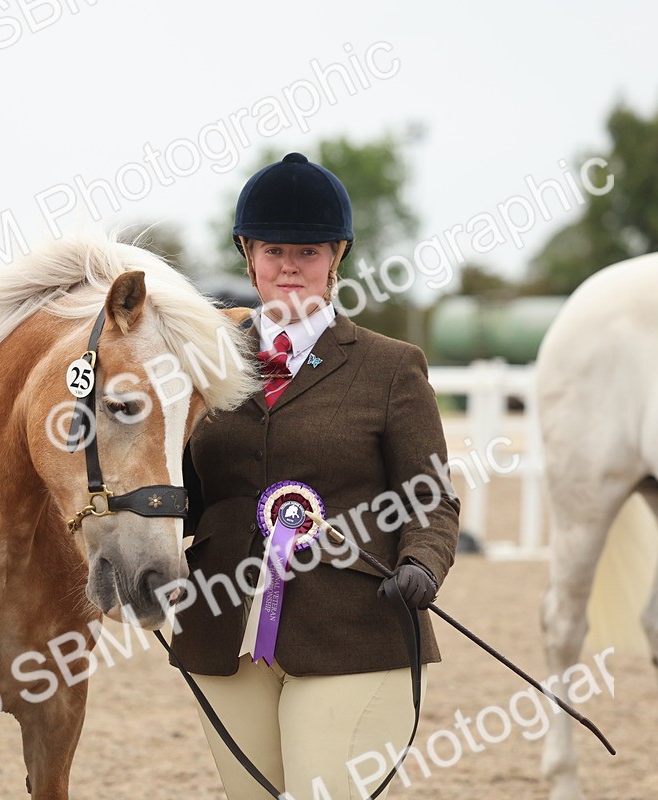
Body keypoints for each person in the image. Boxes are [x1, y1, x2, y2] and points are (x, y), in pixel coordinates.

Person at [170, 152, 461, 800]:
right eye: (275, 249)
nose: (290, 266)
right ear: (248, 255)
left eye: (308, 251)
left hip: (355, 624)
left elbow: (431, 497)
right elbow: (176, 492)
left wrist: (423, 562)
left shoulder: (390, 367)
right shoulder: (201, 366)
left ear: (337, 257)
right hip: (222, 624)